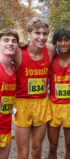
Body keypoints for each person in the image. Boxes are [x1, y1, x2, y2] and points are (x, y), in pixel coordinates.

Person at [13, 18, 55, 159]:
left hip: (41, 104)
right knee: (23, 154)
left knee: (37, 150)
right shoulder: (18, 51)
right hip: (22, 103)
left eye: (45, 34)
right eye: (37, 33)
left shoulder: (50, 50)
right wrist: (17, 43)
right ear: (29, 33)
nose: (41, 37)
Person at [48, 27, 70, 159]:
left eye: (66, 41)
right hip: (53, 107)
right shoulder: (51, 58)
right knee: (52, 147)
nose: (63, 44)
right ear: (55, 43)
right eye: (60, 41)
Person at [0, 29, 19, 159]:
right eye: (6, 40)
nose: (10, 43)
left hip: (6, 127)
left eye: (14, 41)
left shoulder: (13, 68)